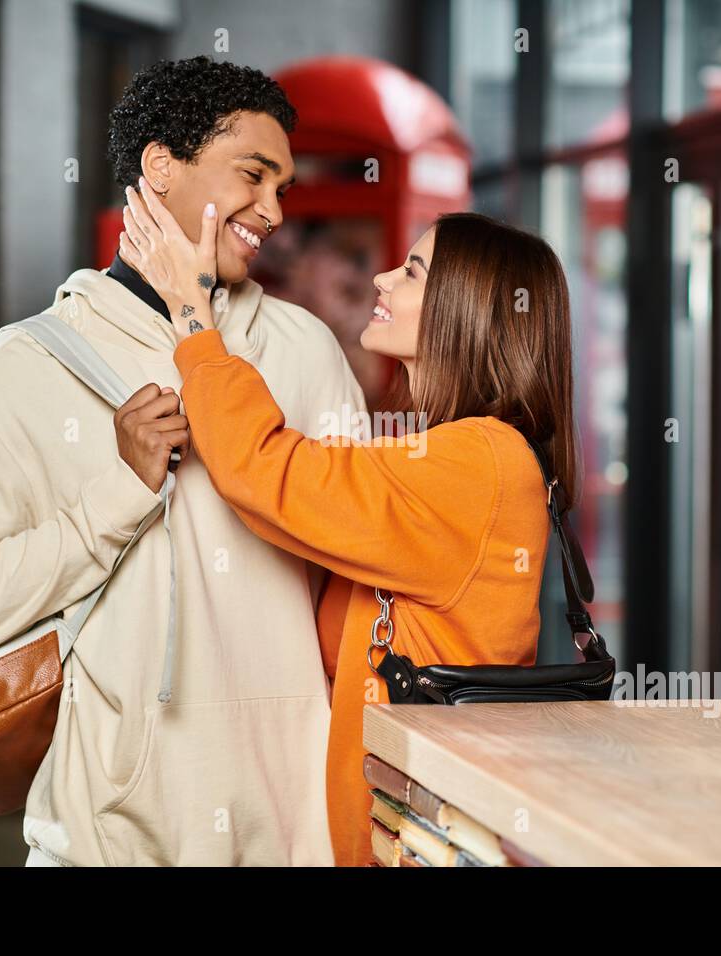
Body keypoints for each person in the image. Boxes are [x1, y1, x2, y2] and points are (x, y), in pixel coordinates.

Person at [0, 57, 365, 866]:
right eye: (253, 176)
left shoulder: (305, 354)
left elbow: (357, 585)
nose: (274, 211)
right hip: (104, 837)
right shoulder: (27, 364)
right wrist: (115, 497)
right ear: (162, 166)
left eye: (283, 189)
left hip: (296, 835)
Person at [120, 189, 579, 867]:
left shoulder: (478, 460)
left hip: (416, 842)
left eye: (414, 272)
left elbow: (268, 471)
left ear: (469, 310)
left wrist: (193, 316)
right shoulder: (461, 450)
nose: (381, 278)